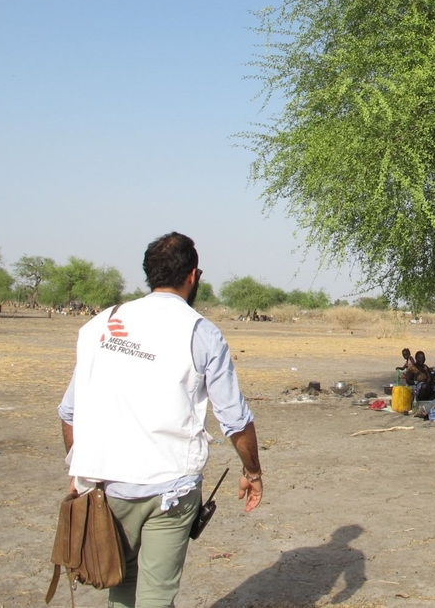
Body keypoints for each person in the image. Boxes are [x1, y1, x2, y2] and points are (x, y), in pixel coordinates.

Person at [57, 232, 263, 607]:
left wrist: (79, 467)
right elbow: (234, 419)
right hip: (171, 490)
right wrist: (253, 473)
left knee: (119, 583)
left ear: (148, 274)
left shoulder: (102, 323)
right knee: (156, 596)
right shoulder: (200, 332)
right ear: (193, 276)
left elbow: (70, 412)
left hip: (107, 487)